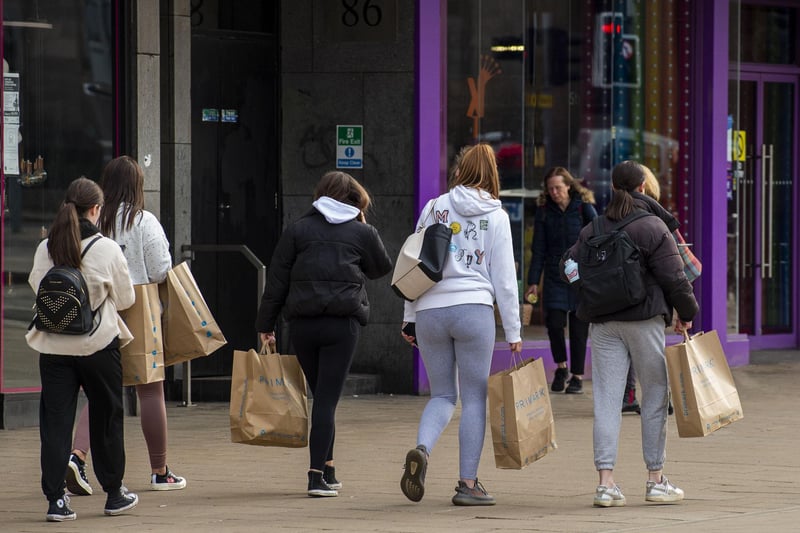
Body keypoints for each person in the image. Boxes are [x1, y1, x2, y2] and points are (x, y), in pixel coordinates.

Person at [564, 160, 698, 508]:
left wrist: (588, 289)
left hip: (603, 324)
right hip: (643, 320)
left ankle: (606, 484)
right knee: (654, 398)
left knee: (606, 402)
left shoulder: (593, 227)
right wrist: (687, 314)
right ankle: (655, 480)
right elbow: (675, 278)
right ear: (642, 188)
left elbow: (568, 265)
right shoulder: (653, 226)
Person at [255, 171, 392, 498]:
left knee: (321, 397)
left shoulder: (298, 230)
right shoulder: (362, 231)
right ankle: (315, 476)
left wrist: (265, 325)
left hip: (302, 326)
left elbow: (276, 283)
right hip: (341, 327)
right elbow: (380, 268)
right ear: (355, 201)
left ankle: (328, 468)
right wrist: (361, 227)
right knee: (327, 401)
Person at [399, 143, 522, 506]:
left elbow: (412, 262)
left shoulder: (434, 207)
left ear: (460, 170)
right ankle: (468, 484)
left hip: (430, 310)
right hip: (474, 311)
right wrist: (513, 331)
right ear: (493, 174)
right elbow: (504, 279)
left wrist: (409, 317)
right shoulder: (496, 216)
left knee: (442, 395)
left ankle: (422, 448)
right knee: (474, 399)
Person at [64, 156, 186, 497]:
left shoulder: (95, 218)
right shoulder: (144, 221)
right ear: (137, 185)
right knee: (150, 389)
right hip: (139, 307)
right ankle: (160, 471)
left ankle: (77, 456)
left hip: (100, 309)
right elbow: (161, 269)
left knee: (101, 389)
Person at [26, 177, 139, 521]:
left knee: (55, 422)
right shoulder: (106, 249)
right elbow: (126, 298)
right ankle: (114, 494)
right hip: (98, 347)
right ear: (95, 209)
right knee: (106, 419)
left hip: (53, 347)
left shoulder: (46, 248)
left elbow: (36, 285)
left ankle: (56, 501)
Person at [524, 166, 597, 394]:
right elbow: (538, 249)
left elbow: (599, 239)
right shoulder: (544, 212)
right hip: (555, 274)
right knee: (554, 324)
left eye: (558, 187)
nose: (554, 192)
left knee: (578, 327)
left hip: (580, 276)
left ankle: (576, 376)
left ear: (568, 185)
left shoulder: (584, 209)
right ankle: (561, 367)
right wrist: (533, 281)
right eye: (550, 188)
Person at [622, 166, 680, 415]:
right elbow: (673, 273)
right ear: (644, 187)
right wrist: (686, 311)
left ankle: (629, 396)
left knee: (630, 354)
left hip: (617, 305)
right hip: (652, 304)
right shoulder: (657, 222)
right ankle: (656, 400)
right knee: (653, 362)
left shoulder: (606, 222)